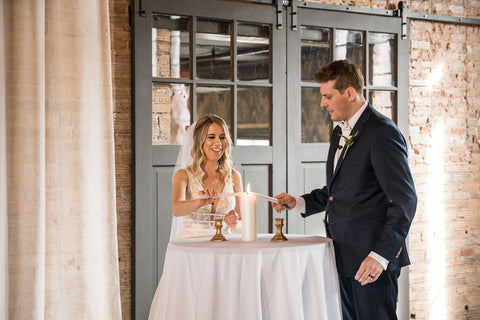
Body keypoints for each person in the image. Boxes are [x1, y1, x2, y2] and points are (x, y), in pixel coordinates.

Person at [273, 60, 417, 320]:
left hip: (371, 261)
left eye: (328, 96)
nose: (322, 103)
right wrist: (298, 202)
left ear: (349, 93)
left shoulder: (383, 133)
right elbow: (340, 190)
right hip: (342, 257)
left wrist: (380, 255)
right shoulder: (339, 132)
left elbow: (405, 201)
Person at [169, 114, 243, 239]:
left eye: (222, 137)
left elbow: (242, 223)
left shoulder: (234, 176)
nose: (218, 143)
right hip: (192, 246)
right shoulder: (183, 175)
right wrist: (200, 202)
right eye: (211, 137)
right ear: (200, 141)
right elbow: (177, 209)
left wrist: (234, 224)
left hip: (224, 245)